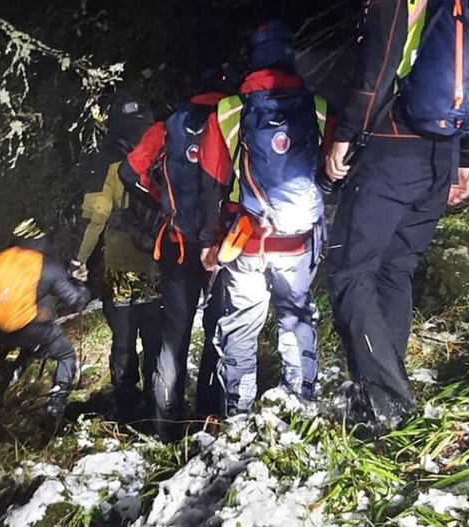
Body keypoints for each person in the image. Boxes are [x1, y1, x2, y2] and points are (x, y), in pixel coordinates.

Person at [323, 0, 469, 427]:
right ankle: (386, 393)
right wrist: (466, 158)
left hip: (392, 149)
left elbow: (378, 69)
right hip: (442, 155)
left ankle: (388, 401)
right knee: (395, 270)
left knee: (349, 271)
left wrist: (346, 136)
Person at [198, 21, 332, 417]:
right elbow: (333, 172)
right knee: (296, 316)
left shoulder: (229, 110)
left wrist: (208, 241)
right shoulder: (319, 107)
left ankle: (238, 413)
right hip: (299, 240)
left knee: (241, 325)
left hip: (247, 241)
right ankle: (300, 403)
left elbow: (211, 182)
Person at [119, 66, 239, 440]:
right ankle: (209, 419)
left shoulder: (169, 127)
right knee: (219, 332)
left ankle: (165, 427)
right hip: (224, 247)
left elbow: (128, 172)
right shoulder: (236, 121)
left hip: (178, 245)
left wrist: (159, 202)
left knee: (174, 336)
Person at [70, 90, 163, 423]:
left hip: (121, 264)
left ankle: (125, 408)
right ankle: (158, 403)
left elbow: (95, 215)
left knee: (123, 339)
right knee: (155, 336)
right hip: (159, 261)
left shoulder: (109, 159)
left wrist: (78, 259)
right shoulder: (161, 147)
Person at [0, 219, 89, 418]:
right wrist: (79, 283)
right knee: (66, 354)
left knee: (20, 352)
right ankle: (55, 405)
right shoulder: (46, 266)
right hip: (28, 329)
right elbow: (76, 301)